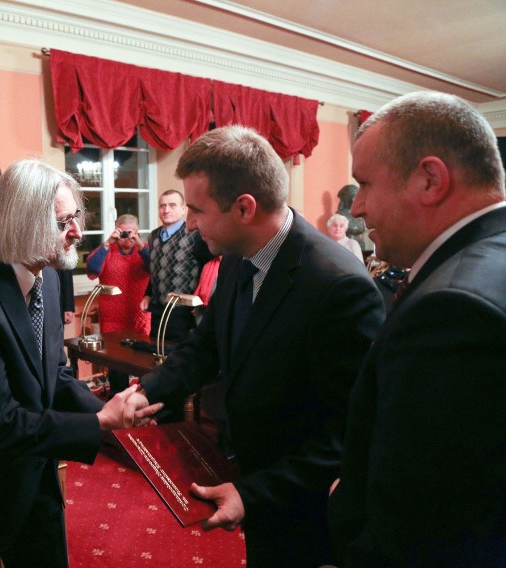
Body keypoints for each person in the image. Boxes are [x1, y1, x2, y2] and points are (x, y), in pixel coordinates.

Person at [124, 125, 385, 567]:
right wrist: (147, 390)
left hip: (306, 505)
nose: (188, 224)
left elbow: (351, 430)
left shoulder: (338, 286)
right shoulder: (236, 254)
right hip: (251, 476)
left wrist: (254, 492)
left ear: (244, 207)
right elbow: (208, 344)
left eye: (196, 210)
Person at [0, 158, 161, 568]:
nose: (77, 232)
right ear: (20, 225)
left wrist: (112, 414)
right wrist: (98, 424)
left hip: (33, 478)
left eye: (75, 216)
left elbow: (53, 376)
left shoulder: (49, 276)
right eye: (62, 223)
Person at [327, 91, 506, 567]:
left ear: (430, 180)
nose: (357, 207)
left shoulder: (451, 312)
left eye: (364, 184)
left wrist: (348, 503)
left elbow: (422, 531)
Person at [86, 214, 151, 393]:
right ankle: (117, 401)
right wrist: (108, 242)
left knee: (144, 361)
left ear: (137, 232)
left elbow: (155, 268)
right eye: (123, 233)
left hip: (139, 316)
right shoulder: (107, 250)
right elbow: (92, 269)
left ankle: (144, 400)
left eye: (130, 233)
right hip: (112, 318)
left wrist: (138, 244)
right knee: (115, 363)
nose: (126, 238)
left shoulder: (145, 249)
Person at [141, 189, 212, 343]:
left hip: (184, 314)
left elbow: (210, 270)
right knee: (155, 355)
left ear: (183, 209)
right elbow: (156, 270)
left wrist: (203, 299)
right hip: (158, 311)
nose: (166, 210)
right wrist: (147, 294)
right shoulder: (153, 236)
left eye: (172, 205)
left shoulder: (196, 235)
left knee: (179, 359)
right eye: (162, 206)